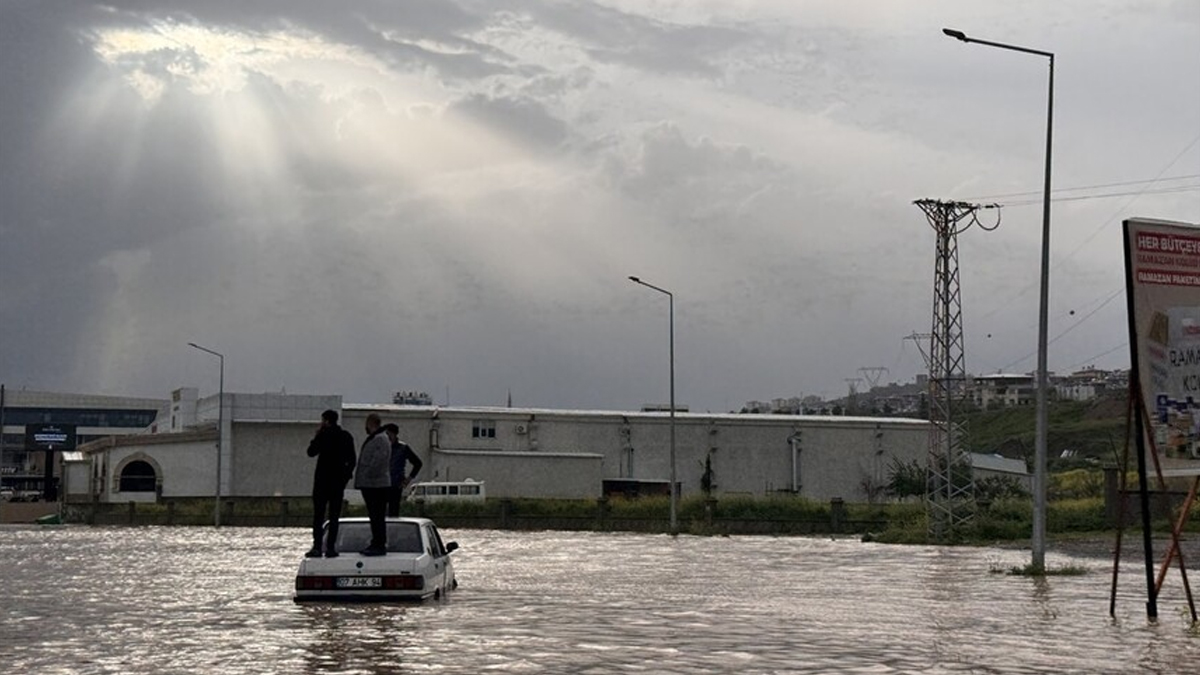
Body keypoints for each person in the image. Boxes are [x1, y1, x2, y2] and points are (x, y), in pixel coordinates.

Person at [306, 409, 356, 558]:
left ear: (326, 421)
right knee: (334, 517)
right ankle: (331, 548)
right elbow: (352, 459)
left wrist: (316, 436)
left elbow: (311, 452)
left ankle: (317, 547)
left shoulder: (323, 435)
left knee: (318, 516)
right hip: (337, 482)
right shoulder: (346, 436)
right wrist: (345, 478)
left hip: (322, 481)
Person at [354, 413, 392, 556]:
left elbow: (379, 461)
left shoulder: (380, 439)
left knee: (377, 516)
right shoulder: (377, 438)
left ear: (371, 423)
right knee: (374, 516)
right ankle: (376, 542)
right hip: (372, 484)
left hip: (376, 485)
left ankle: (379, 544)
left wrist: (368, 474)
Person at [383, 423, 423, 517]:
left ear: (394, 434)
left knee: (394, 511)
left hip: (396, 484)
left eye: (389, 434)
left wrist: (408, 479)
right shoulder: (382, 447)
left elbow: (417, 463)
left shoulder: (403, 448)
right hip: (382, 483)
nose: (388, 437)